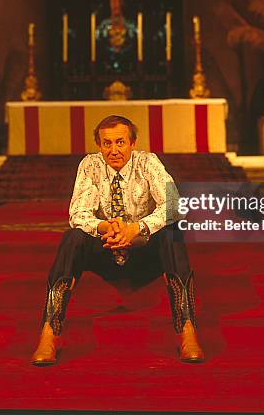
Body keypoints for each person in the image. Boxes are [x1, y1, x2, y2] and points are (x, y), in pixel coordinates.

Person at [30, 115, 204, 365]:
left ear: (133, 144)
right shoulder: (90, 165)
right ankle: (50, 333)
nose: (113, 150)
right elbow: (78, 214)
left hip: (143, 248)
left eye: (120, 142)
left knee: (172, 233)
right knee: (73, 238)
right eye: (106, 144)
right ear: (99, 145)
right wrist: (105, 227)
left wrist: (136, 228)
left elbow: (175, 205)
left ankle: (187, 331)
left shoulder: (148, 162)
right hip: (105, 246)